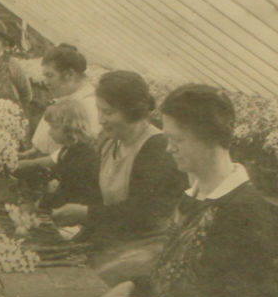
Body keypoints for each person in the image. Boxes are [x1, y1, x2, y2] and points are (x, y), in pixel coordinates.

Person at [89, 84, 278, 297]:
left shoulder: (242, 212)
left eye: (177, 140)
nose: (169, 148)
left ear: (210, 140)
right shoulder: (194, 196)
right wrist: (133, 285)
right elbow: (174, 274)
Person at [52, 71, 186, 242]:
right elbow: (98, 200)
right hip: (114, 238)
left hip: (146, 244)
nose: (101, 120)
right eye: (99, 111)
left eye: (108, 113)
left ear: (132, 111)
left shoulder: (156, 148)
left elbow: (142, 214)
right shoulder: (108, 142)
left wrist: (85, 213)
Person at [19, 44, 99, 163]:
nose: (46, 82)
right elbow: (46, 140)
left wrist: (28, 164)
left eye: (50, 76)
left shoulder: (88, 106)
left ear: (70, 74)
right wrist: (30, 154)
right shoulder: (64, 96)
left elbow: (72, 155)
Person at [36, 99, 101, 210]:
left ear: (71, 128)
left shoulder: (83, 155)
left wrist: (43, 203)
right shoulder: (68, 149)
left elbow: (70, 191)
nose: (50, 132)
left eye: (55, 127)